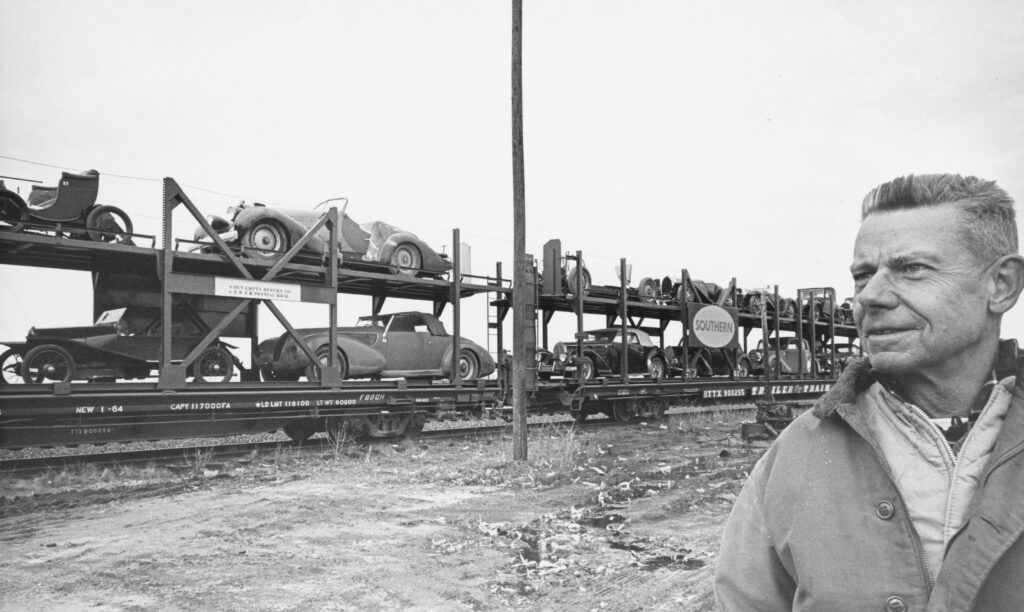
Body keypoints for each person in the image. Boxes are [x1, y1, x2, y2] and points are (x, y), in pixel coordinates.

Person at [714, 174, 1024, 611]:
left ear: (1002, 285)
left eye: (912, 269)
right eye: (862, 276)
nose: (870, 297)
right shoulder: (794, 456)